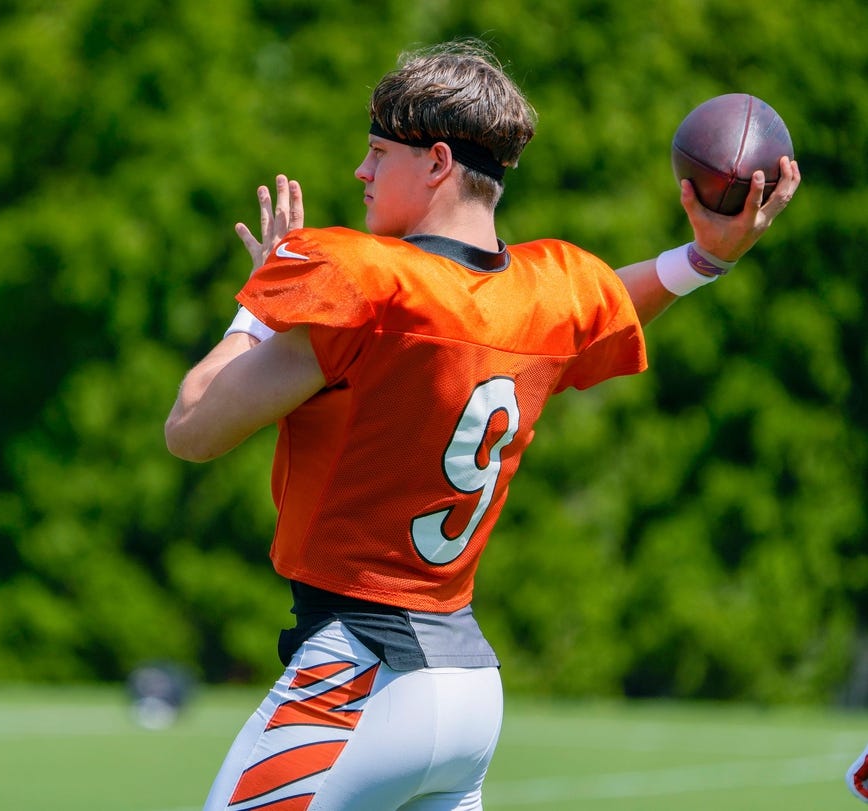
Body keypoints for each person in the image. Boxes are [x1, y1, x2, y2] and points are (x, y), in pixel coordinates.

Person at [165, 39, 800, 811]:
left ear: (435, 162)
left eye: (376, 151)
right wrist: (706, 260)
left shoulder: (369, 285)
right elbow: (613, 300)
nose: (361, 173)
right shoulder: (546, 291)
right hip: (467, 692)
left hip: (360, 670)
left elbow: (192, 428)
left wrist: (258, 310)